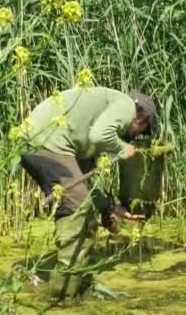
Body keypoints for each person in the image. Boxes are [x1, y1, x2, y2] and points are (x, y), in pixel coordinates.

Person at [19, 86, 158, 302]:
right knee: (78, 208)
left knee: (82, 202)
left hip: (42, 141)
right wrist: (122, 148)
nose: (138, 136)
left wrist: (109, 208)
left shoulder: (84, 133)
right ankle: (61, 295)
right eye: (143, 131)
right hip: (45, 142)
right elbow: (98, 135)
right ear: (141, 121)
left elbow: (85, 179)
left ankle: (76, 286)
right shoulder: (126, 106)